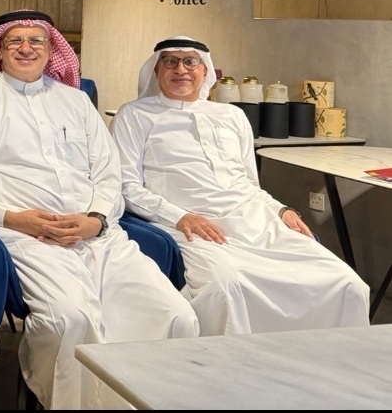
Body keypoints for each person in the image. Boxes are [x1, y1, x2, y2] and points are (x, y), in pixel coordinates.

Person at [0, 10, 198, 410]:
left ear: (51, 50)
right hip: (28, 239)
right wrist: (17, 219)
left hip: (99, 238)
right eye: (15, 41)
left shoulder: (77, 102)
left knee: (177, 315)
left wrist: (95, 220)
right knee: (71, 319)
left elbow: (109, 175)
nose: (26, 48)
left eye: (36, 41)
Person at [111, 36, 370, 335]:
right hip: (192, 227)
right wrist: (179, 217)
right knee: (227, 287)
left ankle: (328, 360)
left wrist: (280, 209)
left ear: (205, 70)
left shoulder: (232, 115)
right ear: (156, 70)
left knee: (345, 282)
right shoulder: (134, 115)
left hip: (256, 220)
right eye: (170, 61)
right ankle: (236, 363)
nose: (181, 69)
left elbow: (248, 182)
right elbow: (126, 186)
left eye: (190, 61)